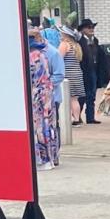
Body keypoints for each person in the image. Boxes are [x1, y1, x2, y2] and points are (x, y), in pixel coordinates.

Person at [28, 32, 60, 167]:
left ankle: (42, 158)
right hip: (47, 93)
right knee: (49, 124)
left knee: (39, 126)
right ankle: (52, 156)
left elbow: (30, 77)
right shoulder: (43, 55)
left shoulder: (31, 57)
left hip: (37, 93)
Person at [78, 19, 101, 122]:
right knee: (83, 95)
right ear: (83, 30)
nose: (91, 29)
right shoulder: (80, 42)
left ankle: (90, 118)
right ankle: (77, 115)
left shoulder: (95, 40)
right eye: (89, 27)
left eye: (92, 27)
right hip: (83, 71)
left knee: (92, 95)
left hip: (94, 70)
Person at [60, 31, 86, 125]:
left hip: (67, 74)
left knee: (67, 98)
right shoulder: (76, 46)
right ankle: (77, 119)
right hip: (77, 73)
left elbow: (59, 58)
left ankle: (69, 119)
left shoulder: (64, 44)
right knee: (74, 99)